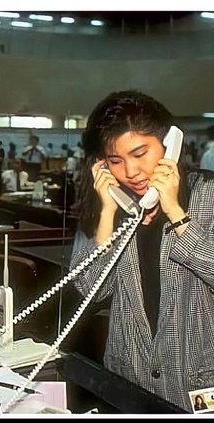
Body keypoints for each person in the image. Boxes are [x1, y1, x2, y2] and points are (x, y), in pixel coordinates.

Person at [70, 89, 214, 412]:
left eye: (140, 154)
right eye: (115, 161)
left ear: (170, 146)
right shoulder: (116, 205)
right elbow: (90, 291)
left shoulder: (210, 197)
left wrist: (177, 214)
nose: (130, 172)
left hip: (196, 388)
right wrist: (107, 211)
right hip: (128, 384)